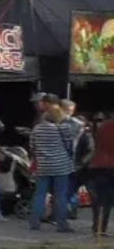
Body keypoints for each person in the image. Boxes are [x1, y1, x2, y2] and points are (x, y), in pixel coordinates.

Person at [26, 96, 83, 234]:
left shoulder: (36, 129)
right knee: (60, 195)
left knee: (40, 194)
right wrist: (66, 117)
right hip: (61, 166)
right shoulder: (63, 128)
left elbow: (32, 147)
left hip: (43, 166)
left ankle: (34, 222)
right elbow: (77, 130)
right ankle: (61, 224)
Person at [82, 111, 114, 240]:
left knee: (101, 199)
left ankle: (98, 227)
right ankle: (101, 228)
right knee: (108, 200)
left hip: (97, 165)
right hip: (111, 166)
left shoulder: (103, 127)